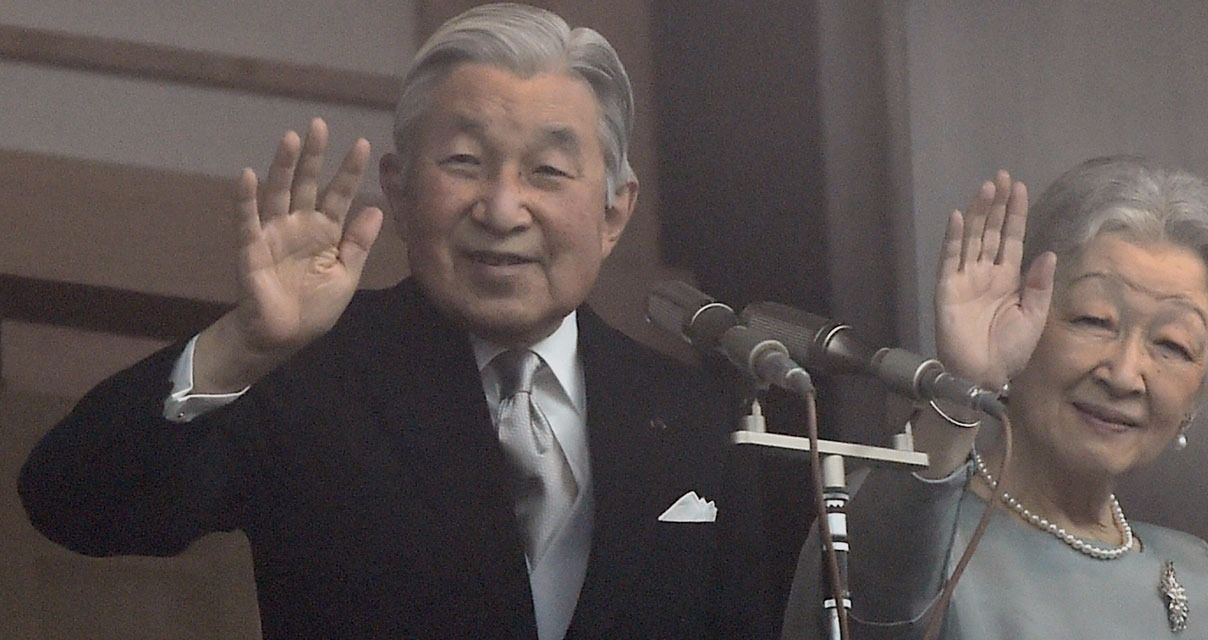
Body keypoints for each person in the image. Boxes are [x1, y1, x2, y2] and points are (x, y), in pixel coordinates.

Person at [19, 4, 768, 639]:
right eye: (465, 162)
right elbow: (76, 505)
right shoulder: (310, 371)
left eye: (547, 171)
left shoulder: (693, 417)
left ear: (614, 212)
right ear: (400, 190)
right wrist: (241, 344)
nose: (502, 209)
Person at [782, 156, 1208, 639]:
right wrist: (965, 385)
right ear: (1020, 316)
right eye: (1094, 320)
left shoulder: (1203, 579)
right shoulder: (898, 527)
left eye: (1173, 345)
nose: (1123, 375)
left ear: (1198, 394)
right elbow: (874, 610)